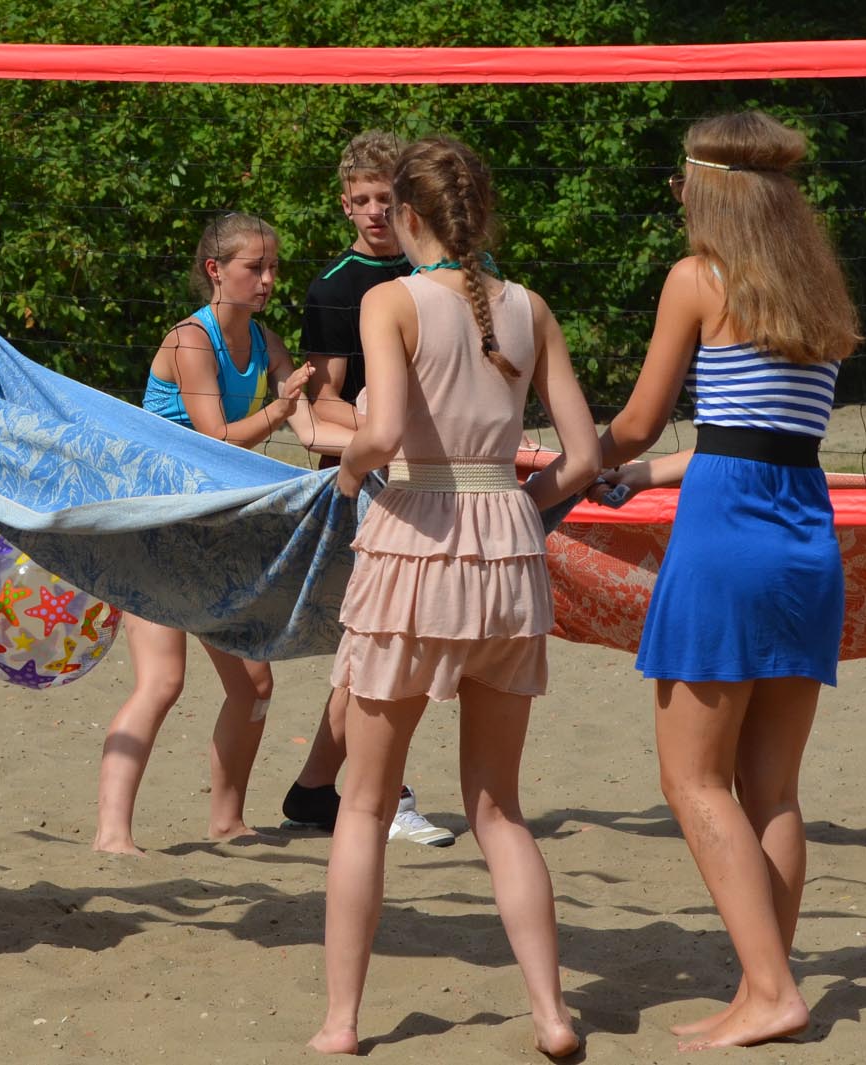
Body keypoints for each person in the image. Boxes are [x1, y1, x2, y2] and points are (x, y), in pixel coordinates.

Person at [308, 137, 596, 1058]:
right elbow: (585, 457)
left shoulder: (391, 300)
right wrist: (519, 505)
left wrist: (345, 468)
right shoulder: (530, 306)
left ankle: (342, 1021)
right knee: (499, 807)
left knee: (364, 802)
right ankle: (551, 1014)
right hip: (507, 546)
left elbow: (383, 429)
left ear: (406, 215)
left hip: (413, 544)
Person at [595, 111, 861, 1050]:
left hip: (726, 542)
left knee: (692, 779)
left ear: (706, 188)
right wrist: (650, 473)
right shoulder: (816, 290)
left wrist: (576, 463)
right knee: (772, 790)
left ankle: (772, 991)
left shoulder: (696, 279)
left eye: (681, 181)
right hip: (803, 540)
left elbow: (637, 420)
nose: (676, 195)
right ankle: (763, 986)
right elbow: (757, 436)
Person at [94, 210, 339, 856]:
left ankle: (227, 822)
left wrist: (392, 441)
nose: (268, 280)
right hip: (154, 528)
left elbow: (312, 430)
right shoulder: (190, 341)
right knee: (161, 681)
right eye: (255, 267)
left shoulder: (266, 340)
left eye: (273, 267)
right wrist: (280, 408)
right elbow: (217, 439)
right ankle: (112, 835)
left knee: (253, 684)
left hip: (213, 534)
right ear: (215, 270)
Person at [281, 130, 452, 848]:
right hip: (369, 477)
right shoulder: (335, 287)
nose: (376, 211)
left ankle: (316, 786)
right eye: (363, 199)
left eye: (387, 197)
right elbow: (323, 403)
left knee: (382, 643)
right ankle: (385, 794)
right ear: (345, 204)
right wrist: (393, 430)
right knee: (389, 642)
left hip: (439, 475)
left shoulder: (443, 274)